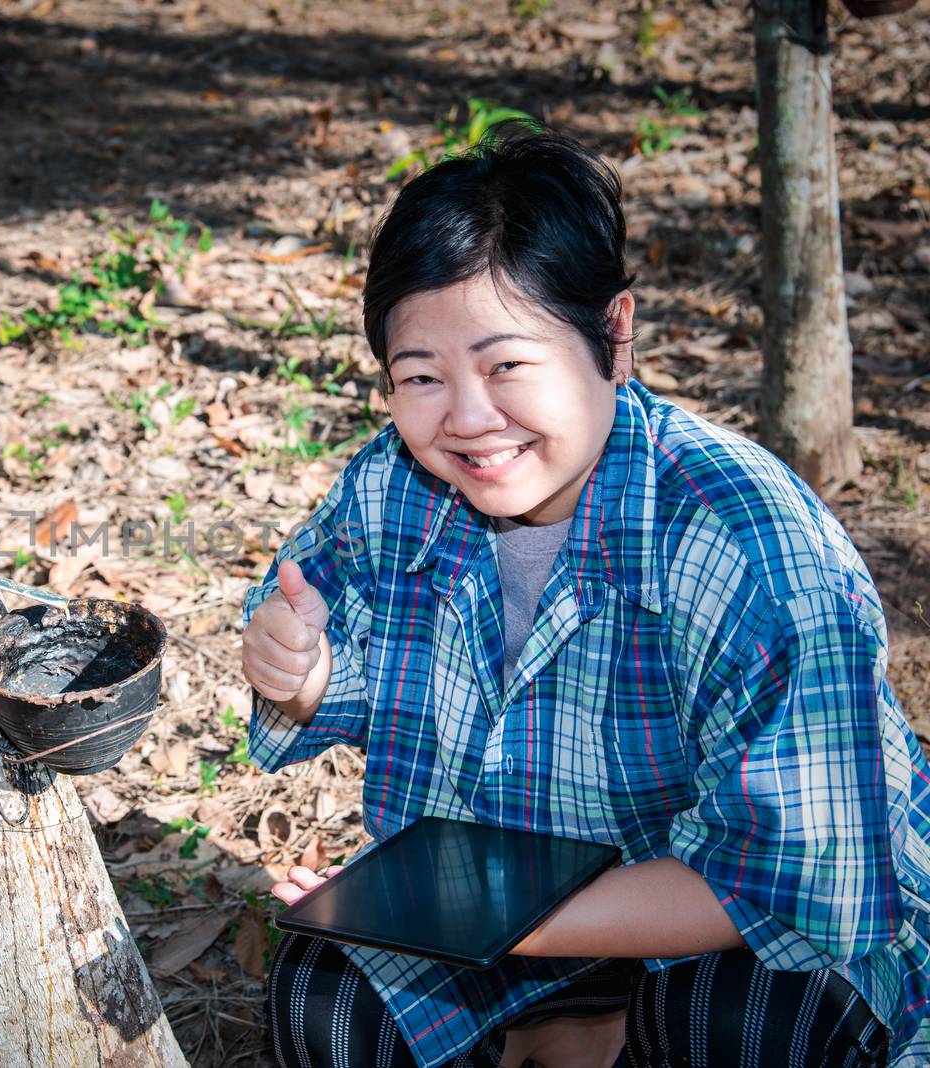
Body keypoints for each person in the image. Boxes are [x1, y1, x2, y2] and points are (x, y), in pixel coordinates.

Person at [239, 128, 930, 1068]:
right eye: (420, 378)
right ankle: (575, 1032)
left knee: (747, 1028)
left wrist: (489, 920)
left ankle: (590, 1036)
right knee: (327, 1001)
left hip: (709, 924)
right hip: (503, 907)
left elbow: (802, 881)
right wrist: (305, 676)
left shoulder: (746, 542)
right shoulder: (388, 488)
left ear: (614, 334)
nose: (469, 419)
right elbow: (345, 670)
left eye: (507, 365)